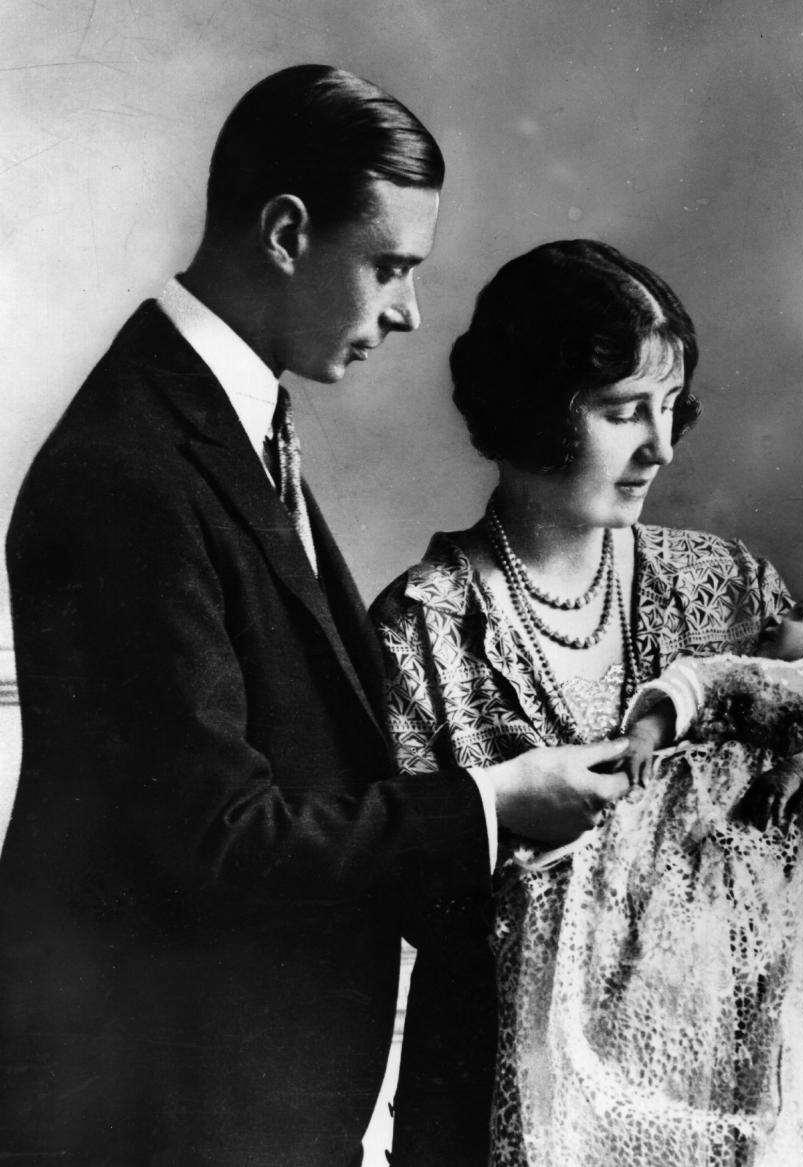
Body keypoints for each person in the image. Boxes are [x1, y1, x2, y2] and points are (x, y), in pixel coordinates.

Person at [0, 68, 630, 1167]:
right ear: (287, 232)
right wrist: (491, 803)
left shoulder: (223, 426)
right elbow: (221, 835)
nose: (408, 311)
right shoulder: (131, 467)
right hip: (162, 1114)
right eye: (389, 267)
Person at [371, 239, 803, 1163]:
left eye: (670, 409)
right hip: (497, 1102)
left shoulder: (731, 590)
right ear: (536, 413)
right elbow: (398, 912)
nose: (661, 446)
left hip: (707, 1097)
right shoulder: (422, 629)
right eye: (625, 413)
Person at [509, 594, 803, 1166]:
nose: (776, 617)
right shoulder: (740, 670)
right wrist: (647, 735)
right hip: (690, 829)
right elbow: (686, 689)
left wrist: (797, 768)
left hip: (786, 839)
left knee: (780, 993)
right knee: (668, 944)